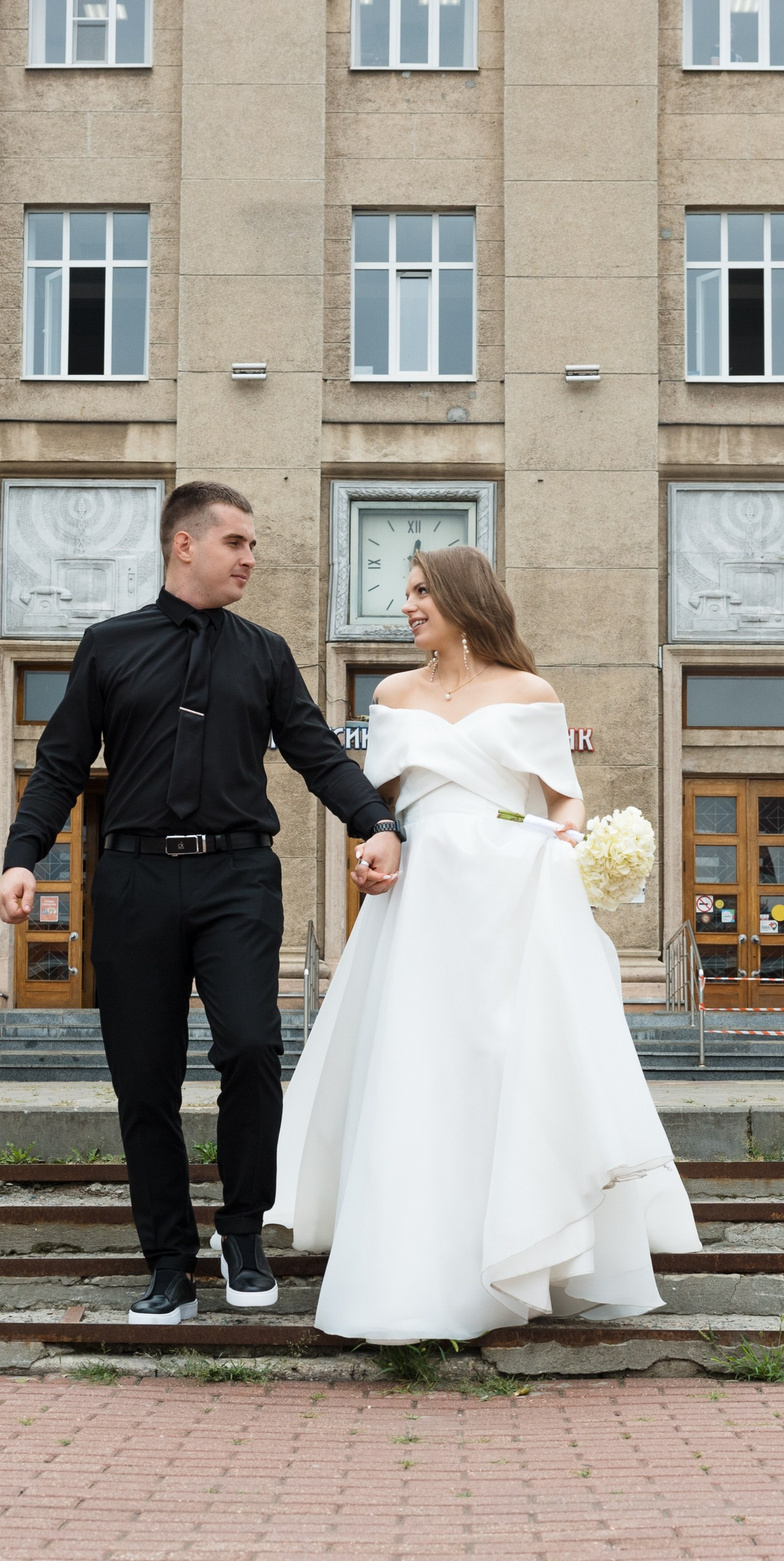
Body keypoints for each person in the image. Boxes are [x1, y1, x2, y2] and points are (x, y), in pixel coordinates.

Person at [268, 545, 701, 1344]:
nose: (405, 605)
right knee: (417, 1066)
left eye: (420, 591)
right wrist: (371, 850)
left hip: (510, 896)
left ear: (463, 600)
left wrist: (568, 851)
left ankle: (522, 1248)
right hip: (423, 901)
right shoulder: (392, 696)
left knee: (505, 1065)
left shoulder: (529, 692)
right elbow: (381, 810)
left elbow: (566, 802)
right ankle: (409, 1275)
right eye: (404, 592)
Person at [0, 482, 404, 1324]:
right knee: (143, 1081)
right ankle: (169, 1262)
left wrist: (379, 823)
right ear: (185, 545)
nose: (251, 558)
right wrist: (22, 857)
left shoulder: (264, 652)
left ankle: (243, 1232)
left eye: (253, 545)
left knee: (253, 1048)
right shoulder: (108, 648)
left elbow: (316, 753)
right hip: (136, 880)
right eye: (237, 543)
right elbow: (62, 765)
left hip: (238, 878)